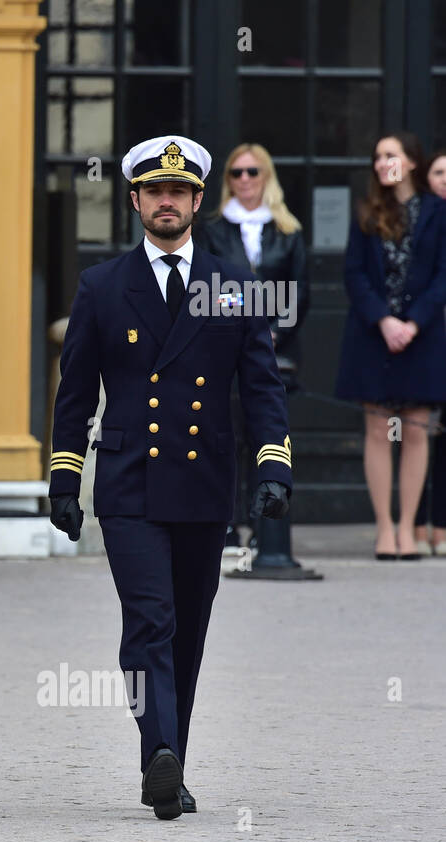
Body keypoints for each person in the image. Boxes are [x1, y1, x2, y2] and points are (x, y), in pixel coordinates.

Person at [48, 136, 293, 820]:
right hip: (128, 481)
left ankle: (170, 762)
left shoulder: (234, 286)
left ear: (194, 202)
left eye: (179, 192)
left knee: (188, 628)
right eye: (154, 191)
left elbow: (263, 388)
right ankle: (159, 750)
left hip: (203, 480)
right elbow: (75, 393)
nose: (166, 201)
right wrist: (65, 479)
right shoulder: (102, 286)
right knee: (148, 620)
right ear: (135, 200)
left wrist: (273, 463)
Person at [335, 131, 446, 560]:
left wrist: (413, 324)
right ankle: (384, 528)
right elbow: (354, 275)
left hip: (423, 336)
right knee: (379, 430)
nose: (382, 163)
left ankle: (407, 528)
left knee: (417, 431)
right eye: (378, 156)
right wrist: (384, 320)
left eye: (390, 155)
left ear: (411, 162)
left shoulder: (437, 210)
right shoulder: (367, 210)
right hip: (372, 335)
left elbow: (442, 275)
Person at [195, 142, 308, 550]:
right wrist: (247, 318)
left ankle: (266, 522)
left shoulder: (287, 230)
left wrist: (272, 330)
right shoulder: (211, 228)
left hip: (273, 350)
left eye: (252, 172)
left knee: (267, 431)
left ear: (266, 177)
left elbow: (298, 293)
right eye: (236, 173)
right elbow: (207, 288)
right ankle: (228, 522)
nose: (244, 180)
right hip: (223, 346)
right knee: (225, 434)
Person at [413, 148, 446, 556]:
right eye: (439, 172)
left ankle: (441, 523)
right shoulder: (420, 222)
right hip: (425, 337)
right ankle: (416, 522)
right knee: (414, 432)